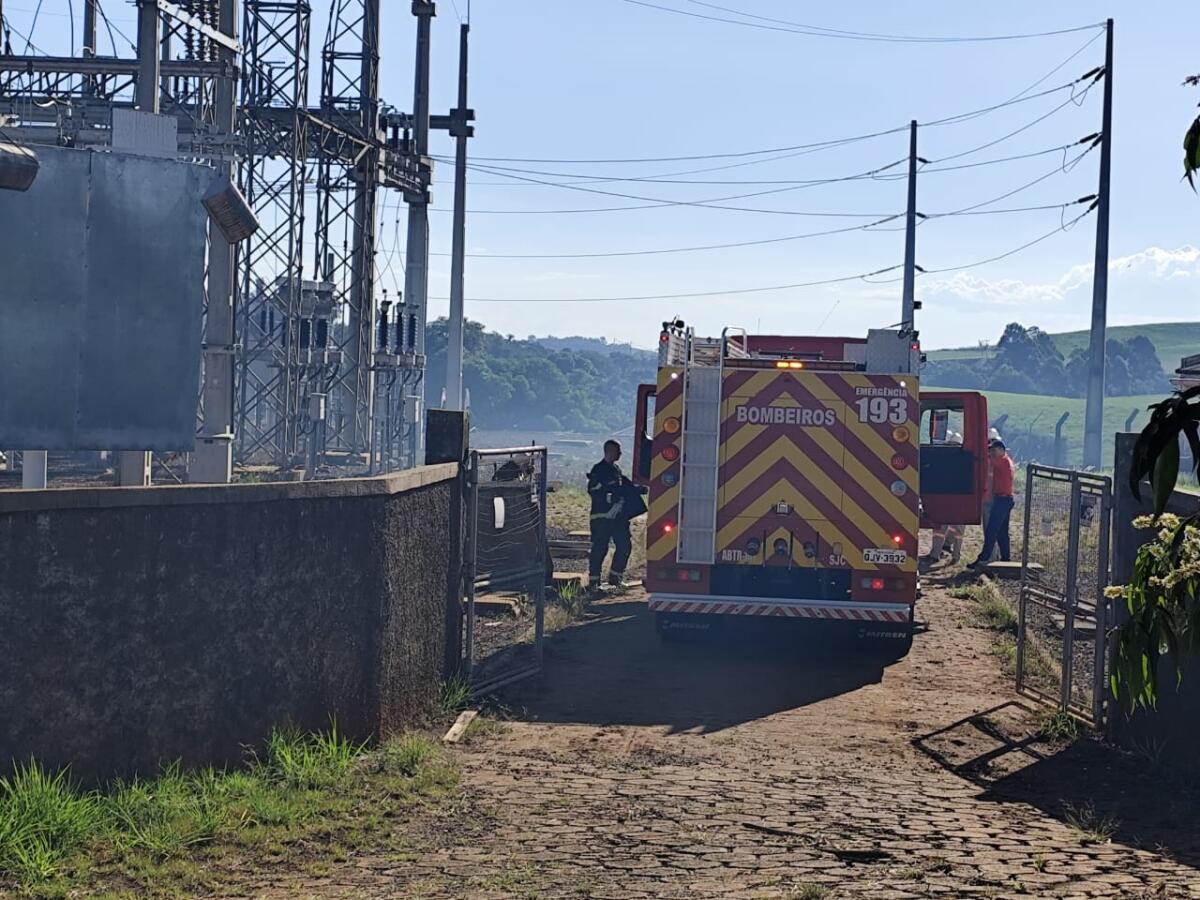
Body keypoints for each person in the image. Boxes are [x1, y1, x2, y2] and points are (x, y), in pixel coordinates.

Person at [586, 440, 646, 590]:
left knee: (624, 546)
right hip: (602, 517)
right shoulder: (598, 470)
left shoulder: (616, 470)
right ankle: (594, 583)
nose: (620, 454)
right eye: (618, 451)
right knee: (600, 549)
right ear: (610, 451)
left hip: (618, 517)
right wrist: (609, 497)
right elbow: (593, 489)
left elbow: (624, 487)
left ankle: (615, 579)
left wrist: (637, 490)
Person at [970, 439, 1016, 570]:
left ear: (1002, 450)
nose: (992, 453)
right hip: (1004, 500)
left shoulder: (1002, 461)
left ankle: (983, 559)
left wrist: (982, 452)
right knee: (1002, 532)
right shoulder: (1006, 461)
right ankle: (1006, 560)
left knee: (991, 531)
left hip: (1002, 500)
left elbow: (986, 461)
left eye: (994, 451)